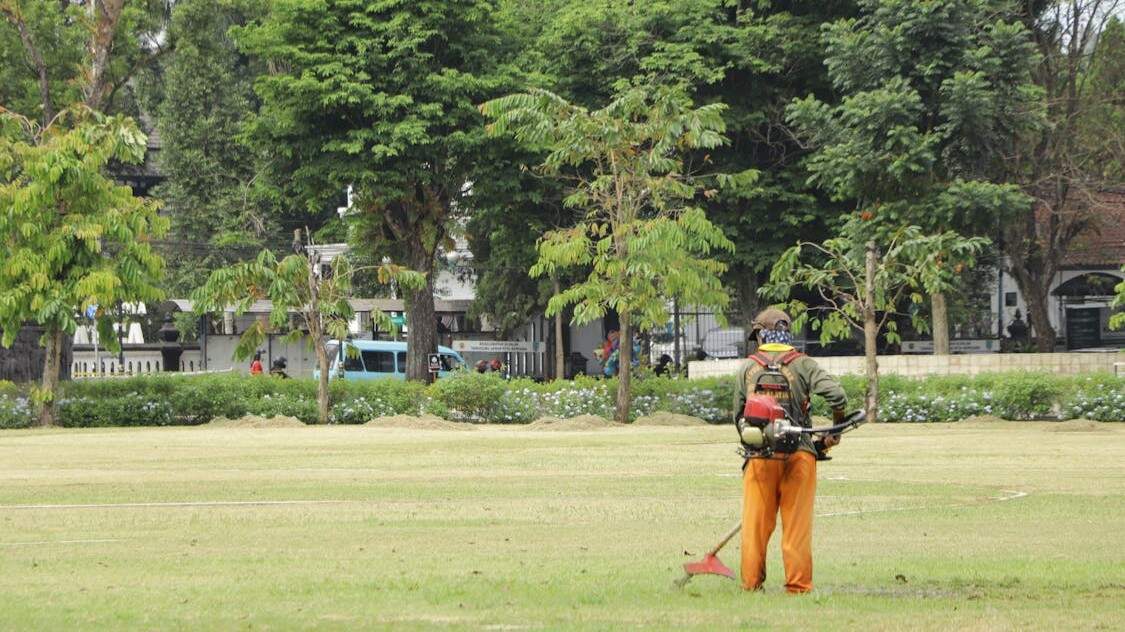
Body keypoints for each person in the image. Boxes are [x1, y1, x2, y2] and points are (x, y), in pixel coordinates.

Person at [733, 308, 847, 594]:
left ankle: (751, 585)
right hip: (800, 455)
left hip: (760, 458)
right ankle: (798, 586)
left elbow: (738, 416)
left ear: (761, 335)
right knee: (797, 526)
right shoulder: (803, 364)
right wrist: (834, 432)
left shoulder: (747, 368)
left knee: (755, 526)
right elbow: (837, 396)